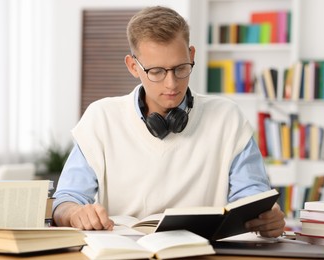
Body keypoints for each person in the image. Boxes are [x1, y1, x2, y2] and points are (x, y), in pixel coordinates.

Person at [52, 5, 285, 238]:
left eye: (181, 68)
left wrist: (266, 216)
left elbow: (252, 197)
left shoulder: (228, 118)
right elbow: (66, 200)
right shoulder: (101, 118)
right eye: (156, 72)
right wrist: (75, 213)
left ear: (192, 56)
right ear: (133, 66)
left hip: (203, 252)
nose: (171, 84)